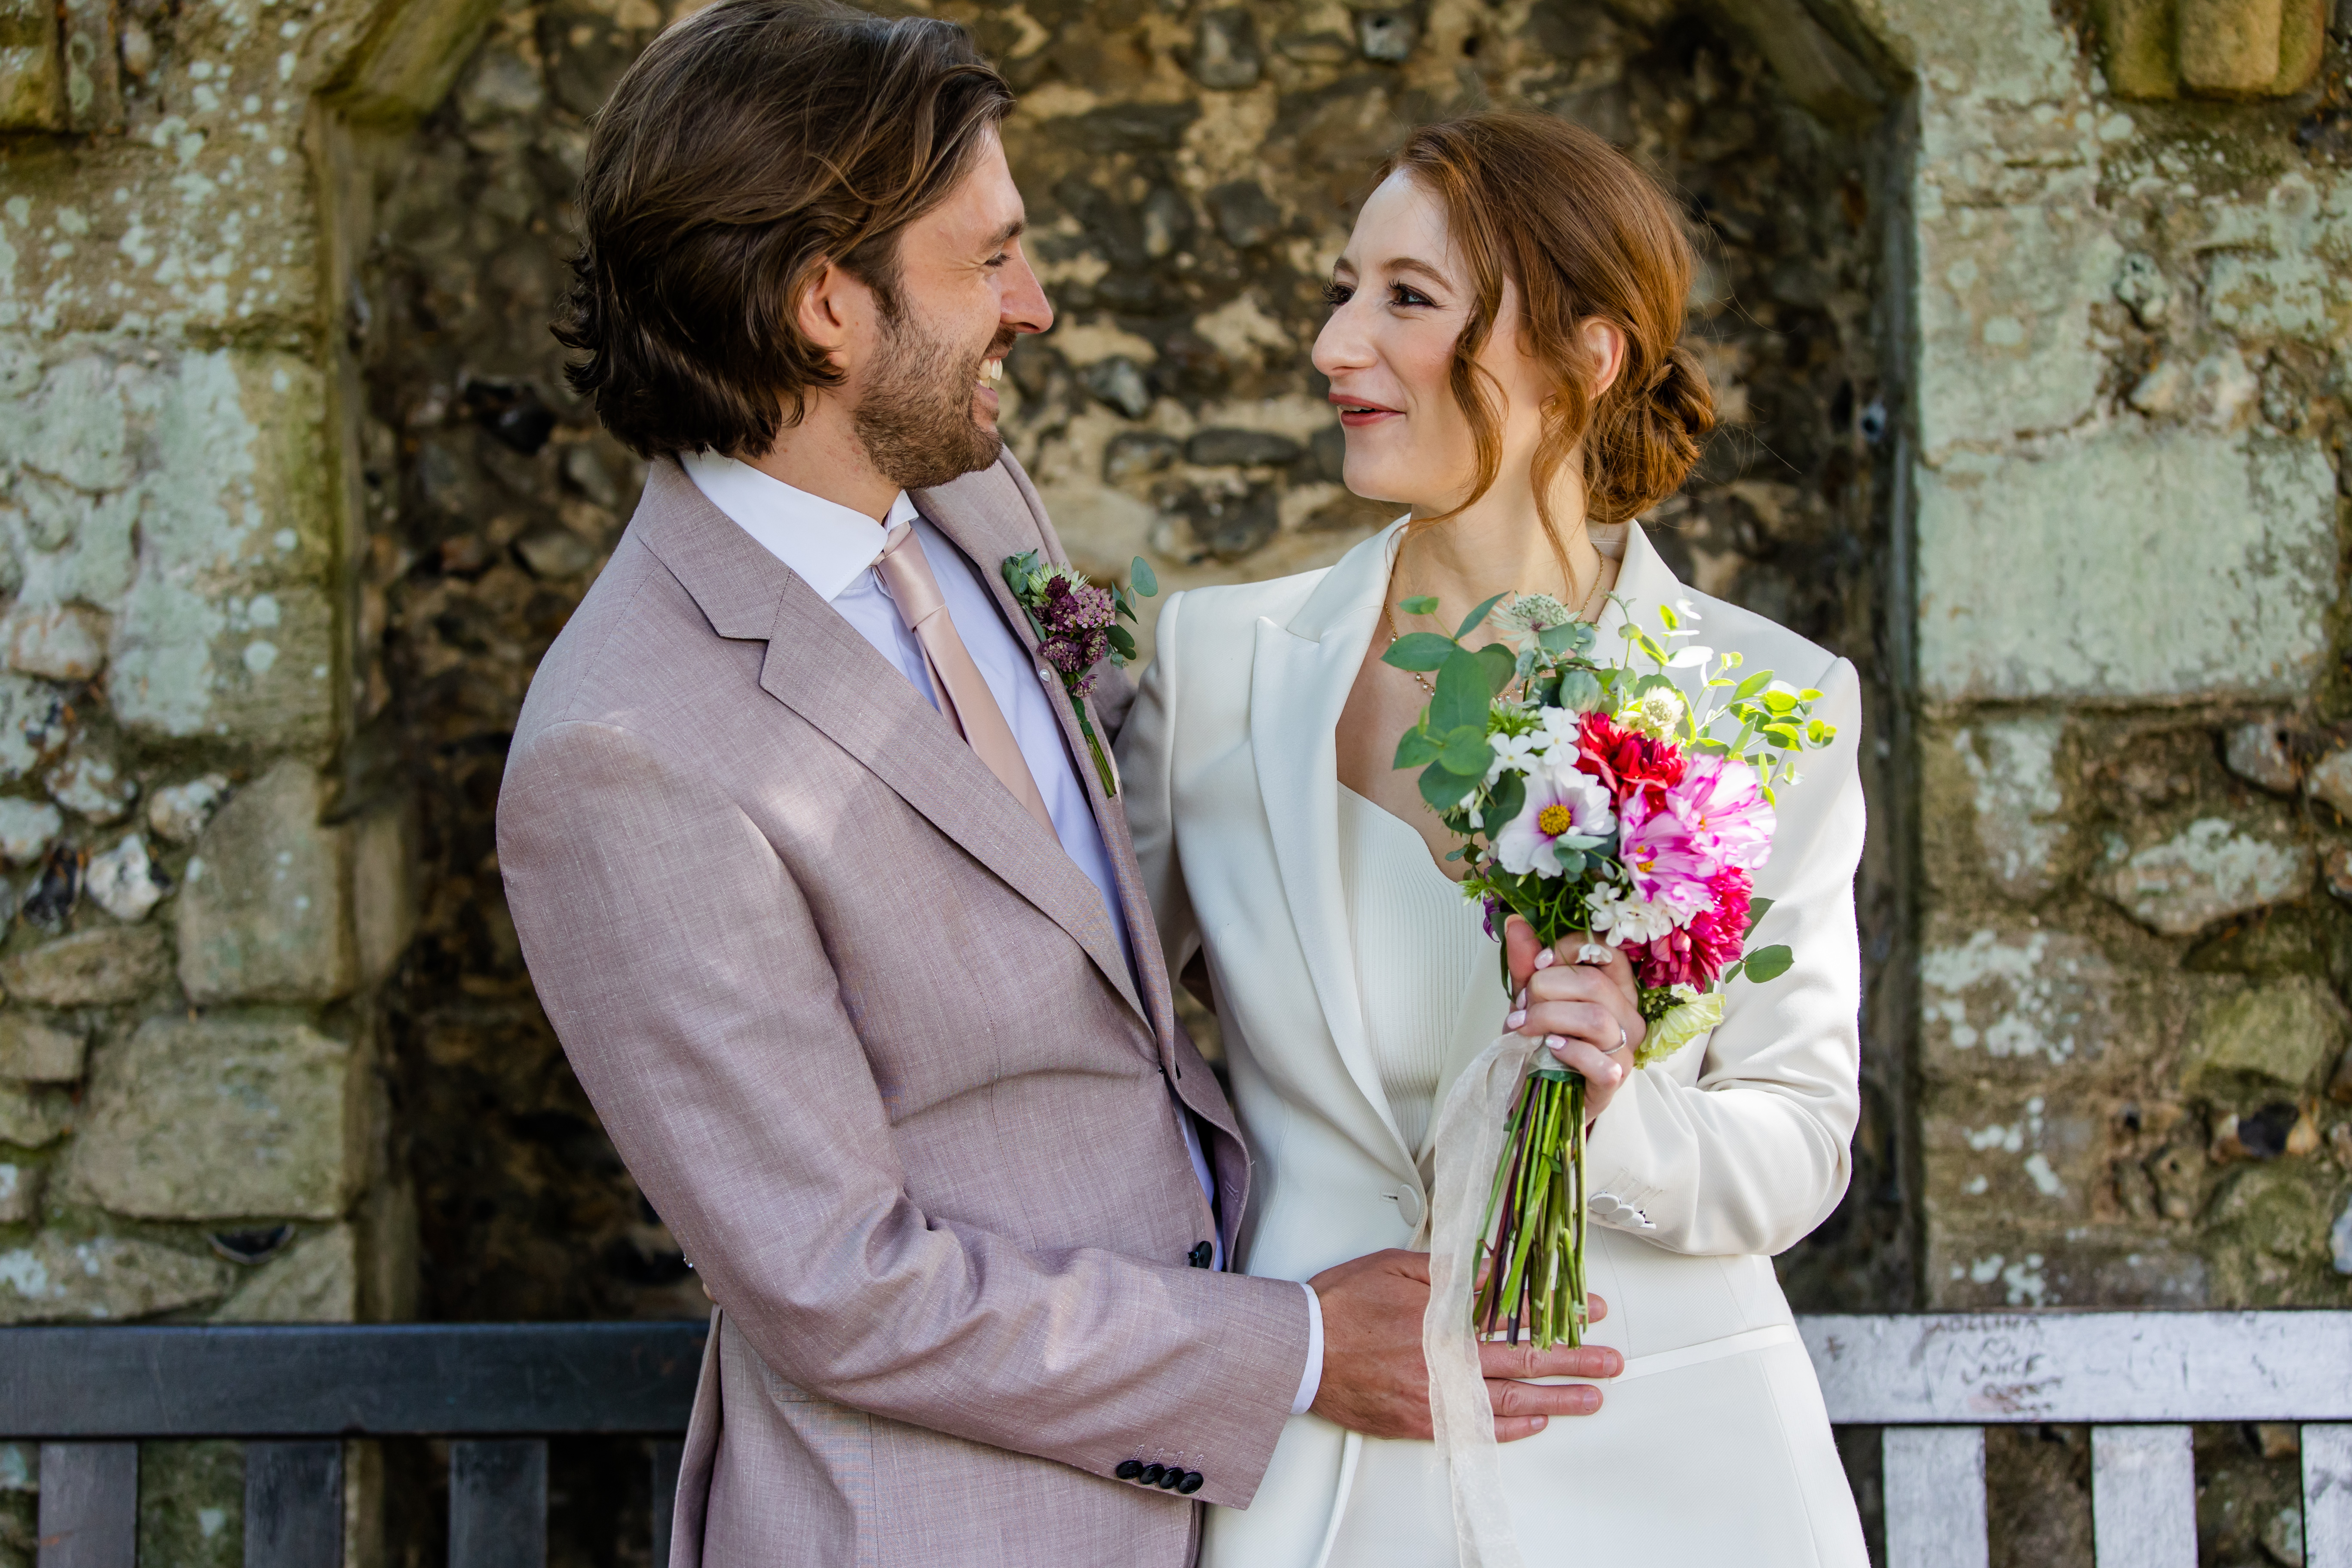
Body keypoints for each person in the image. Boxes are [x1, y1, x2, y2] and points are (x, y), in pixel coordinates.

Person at [496, 10, 1620, 1563]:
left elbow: (1115, 915)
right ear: (827, 306)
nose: (1030, 307)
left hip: (1252, 1514)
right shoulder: (622, 747)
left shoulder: (962, 491)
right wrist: (1287, 1347)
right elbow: (840, 1282)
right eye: (989, 261)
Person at [1120, 111, 1872, 1566]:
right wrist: (1233, 1339)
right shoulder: (1217, 664)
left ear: (1585, 359)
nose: (1340, 345)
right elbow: (1101, 1064)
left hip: (1669, 1463)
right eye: (1344, 291)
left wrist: (1618, 1108)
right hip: (1324, 1464)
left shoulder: (1768, 703)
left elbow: (1798, 1138)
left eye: (1407, 300)